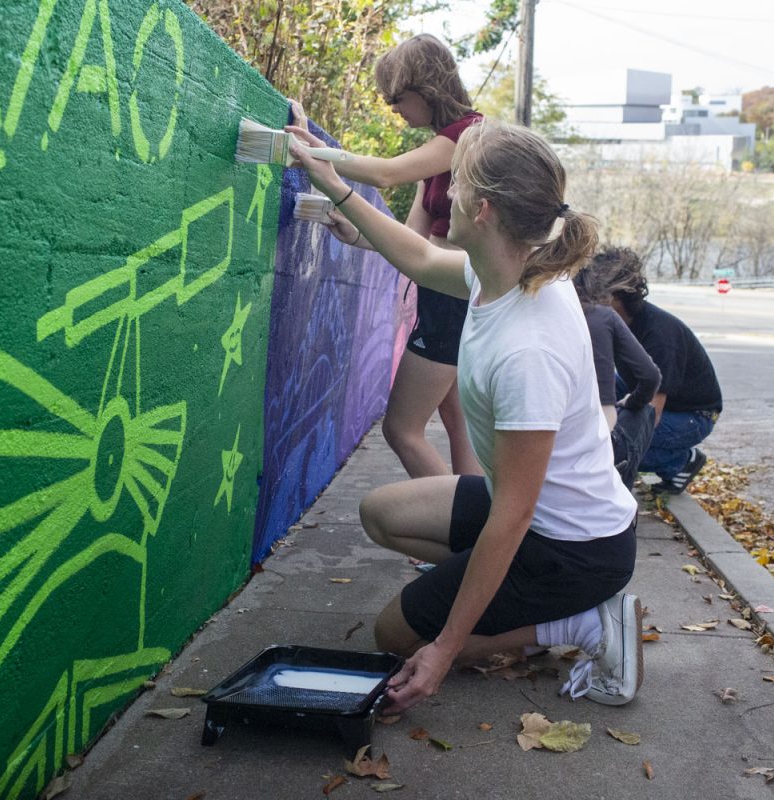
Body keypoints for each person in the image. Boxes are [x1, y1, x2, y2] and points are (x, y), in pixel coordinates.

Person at [286, 119, 643, 714]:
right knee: (382, 513)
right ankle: (503, 599)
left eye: (453, 184)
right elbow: (423, 258)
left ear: (482, 209)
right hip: (543, 520)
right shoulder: (503, 269)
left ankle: (584, 625)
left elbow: (511, 517)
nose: (443, 195)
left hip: (574, 549)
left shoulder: (530, 349)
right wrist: (338, 186)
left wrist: (447, 646)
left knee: (397, 639)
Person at [290, 33, 481, 479]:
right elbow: (409, 238)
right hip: (445, 296)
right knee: (458, 424)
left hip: (454, 301)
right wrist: (353, 232)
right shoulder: (439, 153)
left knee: (402, 430)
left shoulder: (468, 136)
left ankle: (452, 525)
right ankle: (470, 531)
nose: (394, 110)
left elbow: (387, 173)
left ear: (426, 87)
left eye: (397, 98)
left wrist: (313, 152)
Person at [585, 247, 723, 494]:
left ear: (618, 296)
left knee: (617, 446)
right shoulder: (613, 320)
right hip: (640, 387)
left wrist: (609, 429)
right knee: (593, 406)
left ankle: (682, 461)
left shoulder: (660, 335)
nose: (589, 300)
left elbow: (652, 416)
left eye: (596, 294)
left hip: (693, 415)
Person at [572, 268, 661, 488]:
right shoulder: (602, 316)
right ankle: (620, 483)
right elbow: (650, 376)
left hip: (554, 440)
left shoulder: (541, 315)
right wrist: (631, 401)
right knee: (644, 410)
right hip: (600, 439)